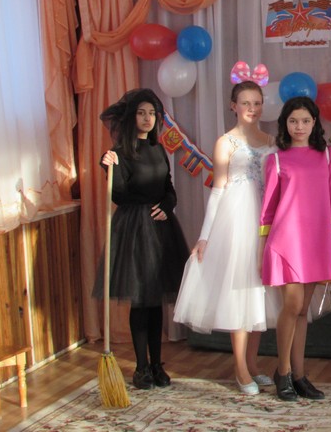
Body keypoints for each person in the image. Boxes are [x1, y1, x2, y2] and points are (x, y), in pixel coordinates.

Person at [173, 81, 277, 395]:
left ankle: (253, 363)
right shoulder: (225, 142)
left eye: (256, 103)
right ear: (233, 106)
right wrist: (205, 236)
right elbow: (218, 191)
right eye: (245, 103)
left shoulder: (272, 141)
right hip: (237, 221)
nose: (252, 109)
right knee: (240, 290)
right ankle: (240, 368)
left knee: (259, 291)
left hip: (266, 220)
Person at [94, 88, 190, 390]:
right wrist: (108, 168)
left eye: (152, 114)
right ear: (131, 117)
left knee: (156, 301)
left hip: (161, 231)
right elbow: (119, 196)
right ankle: (141, 367)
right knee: (140, 300)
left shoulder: (158, 149)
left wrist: (168, 205)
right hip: (134, 230)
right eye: (141, 113)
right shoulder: (120, 153)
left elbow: (168, 187)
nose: (148, 118)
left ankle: (157, 364)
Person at [259, 96, 331, 401]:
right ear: (285, 123)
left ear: (315, 123)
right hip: (286, 241)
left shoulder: (328, 156)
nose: (299, 126)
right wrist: (262, 250)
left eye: (305, 121)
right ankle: (282, 371)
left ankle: (299, 374)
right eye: (293, 121)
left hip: (317, 241)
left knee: (303, 310)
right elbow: (268, 209)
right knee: (292, 305)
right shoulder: (276, 160)